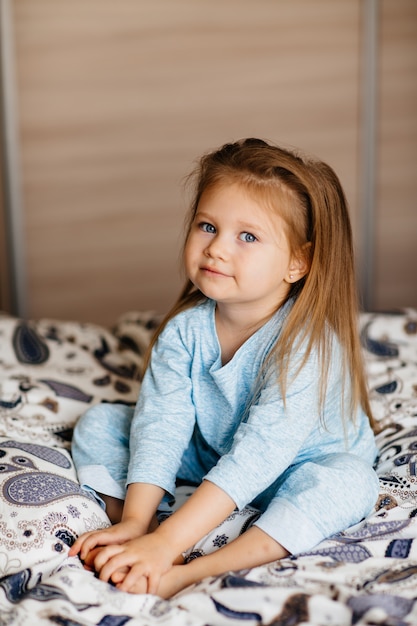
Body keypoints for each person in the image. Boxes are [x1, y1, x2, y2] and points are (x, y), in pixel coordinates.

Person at [69, 138, 379, 598]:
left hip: (295, 464)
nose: (216, 249)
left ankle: (188, 569)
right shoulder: (184, 332)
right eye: (207, 226)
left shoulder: (309, 347)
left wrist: (175, 539)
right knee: (102, 422)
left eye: (247, 236)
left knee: (352, 483)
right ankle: (140, 536)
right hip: (213, 449)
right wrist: (141, 520)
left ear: (299, 261)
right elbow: (163, 423)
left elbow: (260, 454)